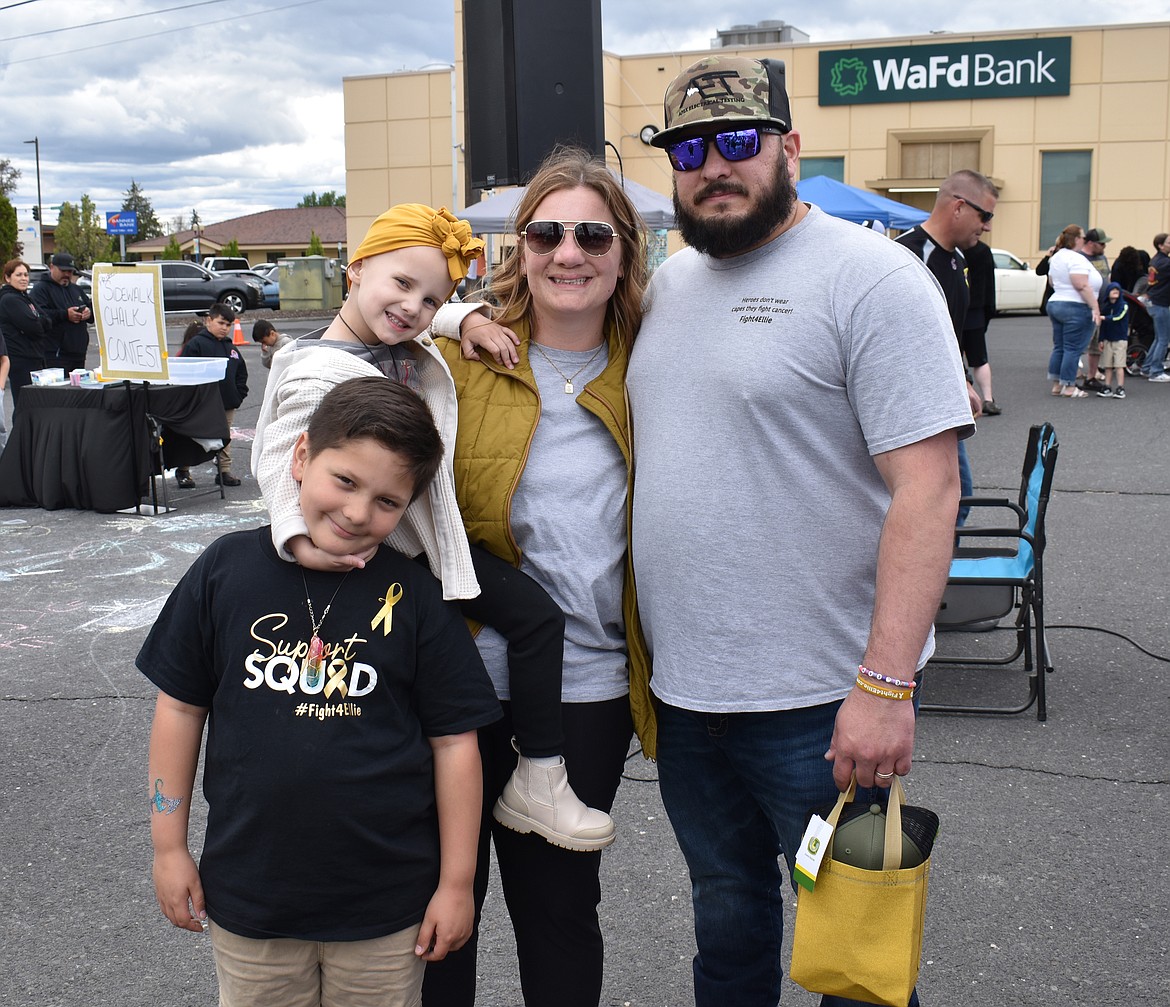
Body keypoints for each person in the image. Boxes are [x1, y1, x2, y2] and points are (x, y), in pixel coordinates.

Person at [629, 55, 973, 1007]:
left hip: (823, 701)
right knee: (726, 920)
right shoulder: (670, 283)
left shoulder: (874, 280)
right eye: (690, 148)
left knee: (853, 950)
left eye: (738, 140)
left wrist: (886, 683)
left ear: (787, 145)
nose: (714, 166)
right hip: (689, 695)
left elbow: (930, 488)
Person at [252, 203, 615, 861]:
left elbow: (416, 306)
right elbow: (281, 452)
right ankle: (534, 774)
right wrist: (298, 538)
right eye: (401, 286)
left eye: (430, 298)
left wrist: (466, 316)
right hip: (382, 557)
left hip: (415, 547)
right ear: (355, 268)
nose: (413, 307)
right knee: (512, 635)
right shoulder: (318, 371)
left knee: (506, 640)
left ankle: (533, 778)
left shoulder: (390, 338)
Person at [139, 376, 501, 1007]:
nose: (360, 513)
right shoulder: (225, 572)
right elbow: (179, 708)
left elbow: (455, 743)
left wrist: (457, 882)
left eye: (388, 502)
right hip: (251, 900)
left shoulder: (413, 595)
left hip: (386, 910)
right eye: (346, 481)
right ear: (301, 457)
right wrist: (168, 846)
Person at [421, 147, 652, 1007]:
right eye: (547, 233)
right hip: (450, 679)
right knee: (441, 912)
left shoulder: (650, 364)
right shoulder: (463, 361)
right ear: (520, 245)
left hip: (584, 686)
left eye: (594, 234)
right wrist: (449, 320)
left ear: (624, 250)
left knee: (559, 909)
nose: (569, 252)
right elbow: (367, 315)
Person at [897, 168, 997, 519]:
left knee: (956, 500)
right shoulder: (906, 255)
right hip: (913, 408)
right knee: (940, 503)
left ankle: (937, 570)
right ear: (958, 207)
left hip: (944, 400)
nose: (986, 226)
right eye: (984, 215)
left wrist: (964, 379)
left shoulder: (958, 259)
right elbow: (899, 340)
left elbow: (946, 333)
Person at [174, 302, 248, 488]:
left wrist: (238, 395)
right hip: (200, 403)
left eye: (228, 325)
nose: (224, 328)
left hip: (226, 403)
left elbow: (241, 372)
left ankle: (223, 471)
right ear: (209, 320)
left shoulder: (230, 348)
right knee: (192, 436)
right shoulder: (196, 345)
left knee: (224, 437)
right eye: (221, 323)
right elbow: (183, 373)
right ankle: (183, 470)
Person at [1045, 225, 1102, 397]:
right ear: (1076, 239)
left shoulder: (1056, 257)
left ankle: (1057, 384)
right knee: (1072, 348)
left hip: (1056, 302)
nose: (1084, 240)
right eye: (1083, 237)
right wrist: (1095, 307)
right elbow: (1081, 284)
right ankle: (1069, 386)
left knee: (1060, 346)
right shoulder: (1075, 259)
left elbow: (1052, 282)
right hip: (1076, 306)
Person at [30, 251, 92, 376]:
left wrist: (88, 313)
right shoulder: (41, 290)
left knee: (78, 392)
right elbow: (39, 316)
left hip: (78, 352)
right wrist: (65, 314)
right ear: (52, 267)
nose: (67, 275)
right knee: (59, 393)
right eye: (63, 271)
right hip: (55, 353)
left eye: (70, 271)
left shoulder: (76, 289)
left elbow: (91, 309)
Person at [0, 258, 50, 410]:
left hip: (34, 357)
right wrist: (38, 321)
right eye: (19, 275)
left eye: (26, 275)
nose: (23, 279)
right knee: (24, 407)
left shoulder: (25, 297)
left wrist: (39, 321)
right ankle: (20, 435)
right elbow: (35, 327)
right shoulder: (9, 299)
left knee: (37, 405)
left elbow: (47, 321)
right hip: (21, 360)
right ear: (8, 278)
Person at [961, 238, 1000, 415]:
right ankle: (988, 399)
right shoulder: (983, 250)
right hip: (976, 310)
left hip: (954, 308)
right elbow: (989, 283)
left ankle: (960, 399)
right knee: (980, 359)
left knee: (954, 357)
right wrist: (989, 310)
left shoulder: (952, 248)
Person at [1078, 227, 1113, 391]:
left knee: (1096, 345)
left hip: (1103, 306)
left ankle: (1091, 376)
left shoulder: (1102, 257)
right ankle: (1071, 376)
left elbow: (1107, 277)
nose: (1104, 247)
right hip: (1086, 306)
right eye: (1101, 244)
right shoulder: (1079, 258)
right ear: (1091, 243)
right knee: (1079, 343)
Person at [1139, 232, 1170, 381]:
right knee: (1164, 338)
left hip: (1153, 301)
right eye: (1169, 242)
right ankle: (1156, 371)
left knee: (1159, 338)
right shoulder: (1166, 263)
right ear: (1160, 245)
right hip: (1161, 303)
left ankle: (1147, 367)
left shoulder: (1155, 261)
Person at [1095, 282, 1129, 398]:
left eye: (1117, 290)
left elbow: (1119, 317)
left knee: (1119, 365)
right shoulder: (1106, 307)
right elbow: (1103, 326)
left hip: (1120, 339)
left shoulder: (1123, 305)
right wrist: (1101, 339)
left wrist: (1105, 318)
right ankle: (1107, 386)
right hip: (1108, 339)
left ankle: (1120, 387)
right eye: (1112, 290)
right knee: (1107, 365)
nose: (1115, 292)